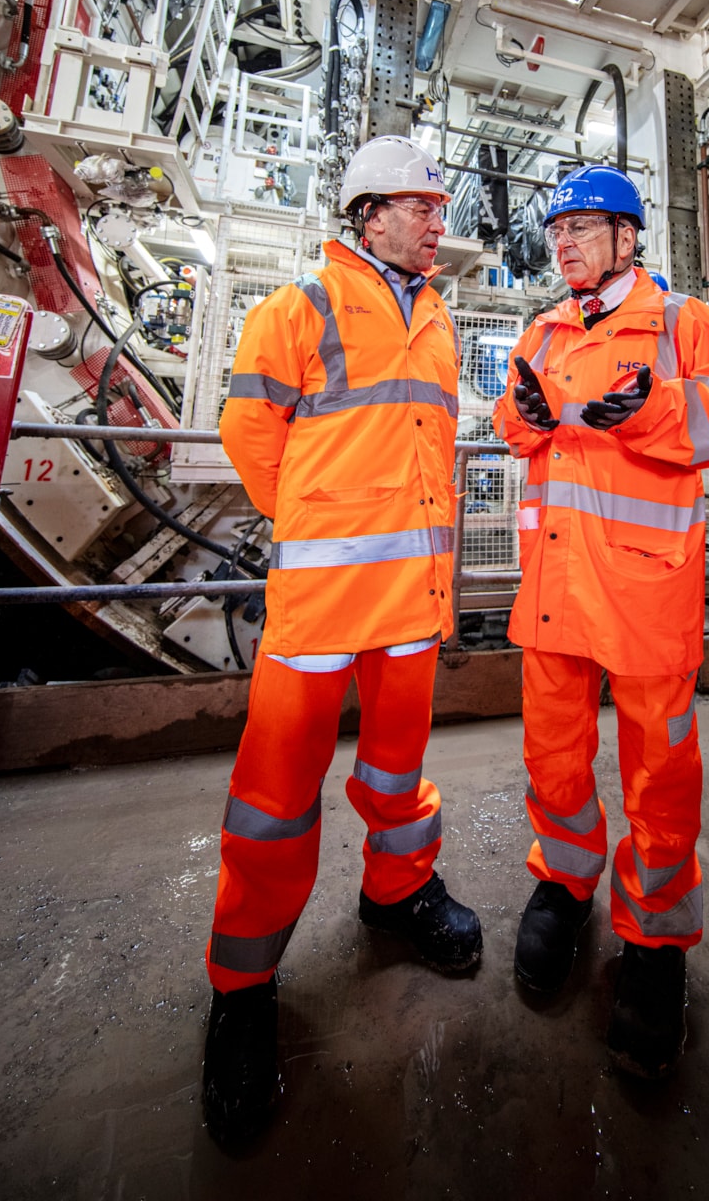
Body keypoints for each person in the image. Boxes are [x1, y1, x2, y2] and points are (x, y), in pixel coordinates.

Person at [203, 136, 482, 1146]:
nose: (435, 221)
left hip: (409, 603)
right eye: (419, 206)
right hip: (320, 608)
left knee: (399, 773)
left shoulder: (439, 318)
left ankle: (397, 895)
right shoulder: (300, 307)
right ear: (368, 214)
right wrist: (310, 526)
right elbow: (248, 431)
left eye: (438, 207)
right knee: (275, 801)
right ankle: (241, 989)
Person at [492, 164, 709, 1079]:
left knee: (660, 771)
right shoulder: (543, 327)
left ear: (629, 238)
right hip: (557, 584)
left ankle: (653, 942)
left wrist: (652, 409)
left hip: (646, 589)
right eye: (556, 230)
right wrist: (520, 416)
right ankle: (565, 883)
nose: (562, 242)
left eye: (582, 227)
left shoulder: (683, 324)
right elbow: (511, 422)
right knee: (554, 750)